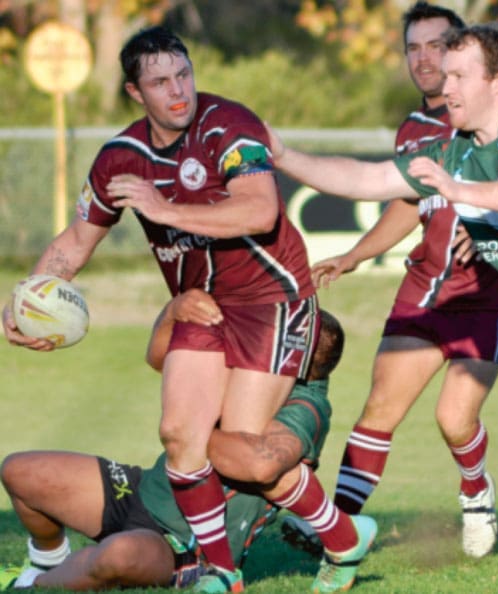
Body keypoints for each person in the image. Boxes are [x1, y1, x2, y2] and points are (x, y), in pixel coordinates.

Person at [0, 26, 367, 593]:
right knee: (179, 434)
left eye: (183, 74)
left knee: (239, 444)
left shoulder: (231, 127)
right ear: (134, 92)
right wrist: (30, 300)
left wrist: (162, 207)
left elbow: (259, 211)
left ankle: (341, 538)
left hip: (272, 300)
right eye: (160, 82)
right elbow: (75, 242)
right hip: (204, 306)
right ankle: (222, 574)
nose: (178, 90)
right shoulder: (120, 158)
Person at [268, 23, 498, 593]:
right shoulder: (450, 150)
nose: (447, 86)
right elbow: (365, 178)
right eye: (445, 75)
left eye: (460, 74)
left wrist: (458, 192)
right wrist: (285, 155)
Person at [284, 2, 498, 561]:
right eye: (413, 48)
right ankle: (339, 530)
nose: (424, 59)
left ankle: (476, 494)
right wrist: (353, 255)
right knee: (378, 412)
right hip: (426, 288)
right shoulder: (416, 127)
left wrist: (495, 232)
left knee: (453, 419)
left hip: (487, 293)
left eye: (437, 46)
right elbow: (406, 203)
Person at [0, 298, 367, 592]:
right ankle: (46, 561)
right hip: (145, 491)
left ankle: (32, 584)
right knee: (21, 470)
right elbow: (159, 357)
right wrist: (175, 309)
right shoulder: (251, 369)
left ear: (294, 355)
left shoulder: (307, 407)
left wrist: (188, 430)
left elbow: (262, 466)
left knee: (117, 556)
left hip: (181, 542)